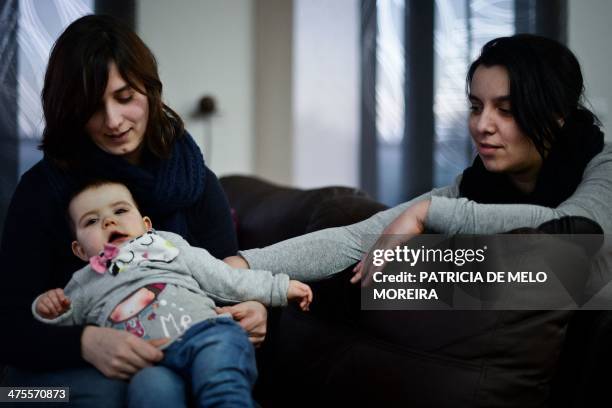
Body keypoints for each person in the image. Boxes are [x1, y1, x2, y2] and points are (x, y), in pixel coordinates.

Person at [224, 34, 612, 404]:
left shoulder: (603, 165)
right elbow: (354, 239)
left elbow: (577, 228)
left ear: (558, 116)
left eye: (506, 110)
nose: (482, 125)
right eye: (476, 107)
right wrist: (240, 267)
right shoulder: (476, 184)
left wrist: (428, 213)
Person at [0, 14, 267, 406]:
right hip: (37, 387)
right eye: (92, 108)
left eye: (125, 98)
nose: (113, 120)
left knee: (164, 385)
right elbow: (9, 327)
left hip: (174, 362)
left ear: (150, 89)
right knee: (116, 392)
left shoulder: (195, 183)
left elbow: (225, 285)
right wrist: (85, 343)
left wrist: (253, 309)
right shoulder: (43, 191)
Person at [32, 180, 312, 407]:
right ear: (79, 250)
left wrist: (278, 287)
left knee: (221, 385)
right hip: (148, 362)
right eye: (91, 221)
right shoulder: (83, 282)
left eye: (119, 211)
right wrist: (50, 311)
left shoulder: (167, 245)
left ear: (146, 225)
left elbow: (223, 278)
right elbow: (66, 329)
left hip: (206, 334)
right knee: (150, 391)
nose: (108, 222)